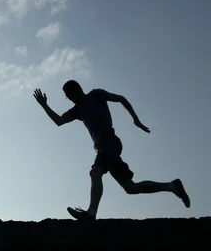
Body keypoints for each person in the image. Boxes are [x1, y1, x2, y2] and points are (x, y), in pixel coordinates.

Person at [33, 80, 190, 221]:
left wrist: (136, 119)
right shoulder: (77, 110)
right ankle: (171, 186)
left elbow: (120, 98)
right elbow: (59, 121)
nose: (69, 98)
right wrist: (44, 105)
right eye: (67, 97)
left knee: (95, 172)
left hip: (110, 142)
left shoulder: (96, 94)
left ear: (77, 89)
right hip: (104, 148)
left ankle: (91, 213)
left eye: (69, 94)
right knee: (130, 188)